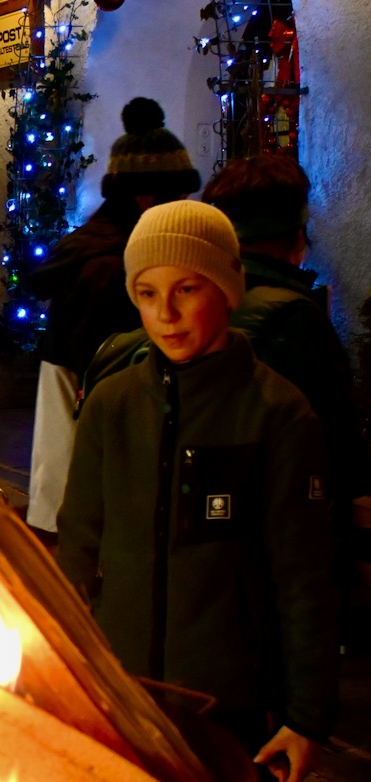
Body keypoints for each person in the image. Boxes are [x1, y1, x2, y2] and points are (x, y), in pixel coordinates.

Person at [56, 200, 338, 781]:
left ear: (227, 288)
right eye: (148, 294)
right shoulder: (111, 404)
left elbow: (304, 577)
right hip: (122, 690)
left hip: (228, 703)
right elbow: (78, 547)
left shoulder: (277, 413)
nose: (167, 314)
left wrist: (306, 717)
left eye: (187, 289)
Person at [202, 157, 371, 633]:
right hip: (278, 538)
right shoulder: (298, 319)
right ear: (298, 236)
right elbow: (336, 444)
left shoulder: (199, 305)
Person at [25, 97, 201, 539]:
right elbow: (106, 381)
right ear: (145, 198)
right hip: (91, 456)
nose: (183, 206)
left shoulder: (106, 251)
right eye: (177, 195)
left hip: (76, 443)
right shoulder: (111, 267)